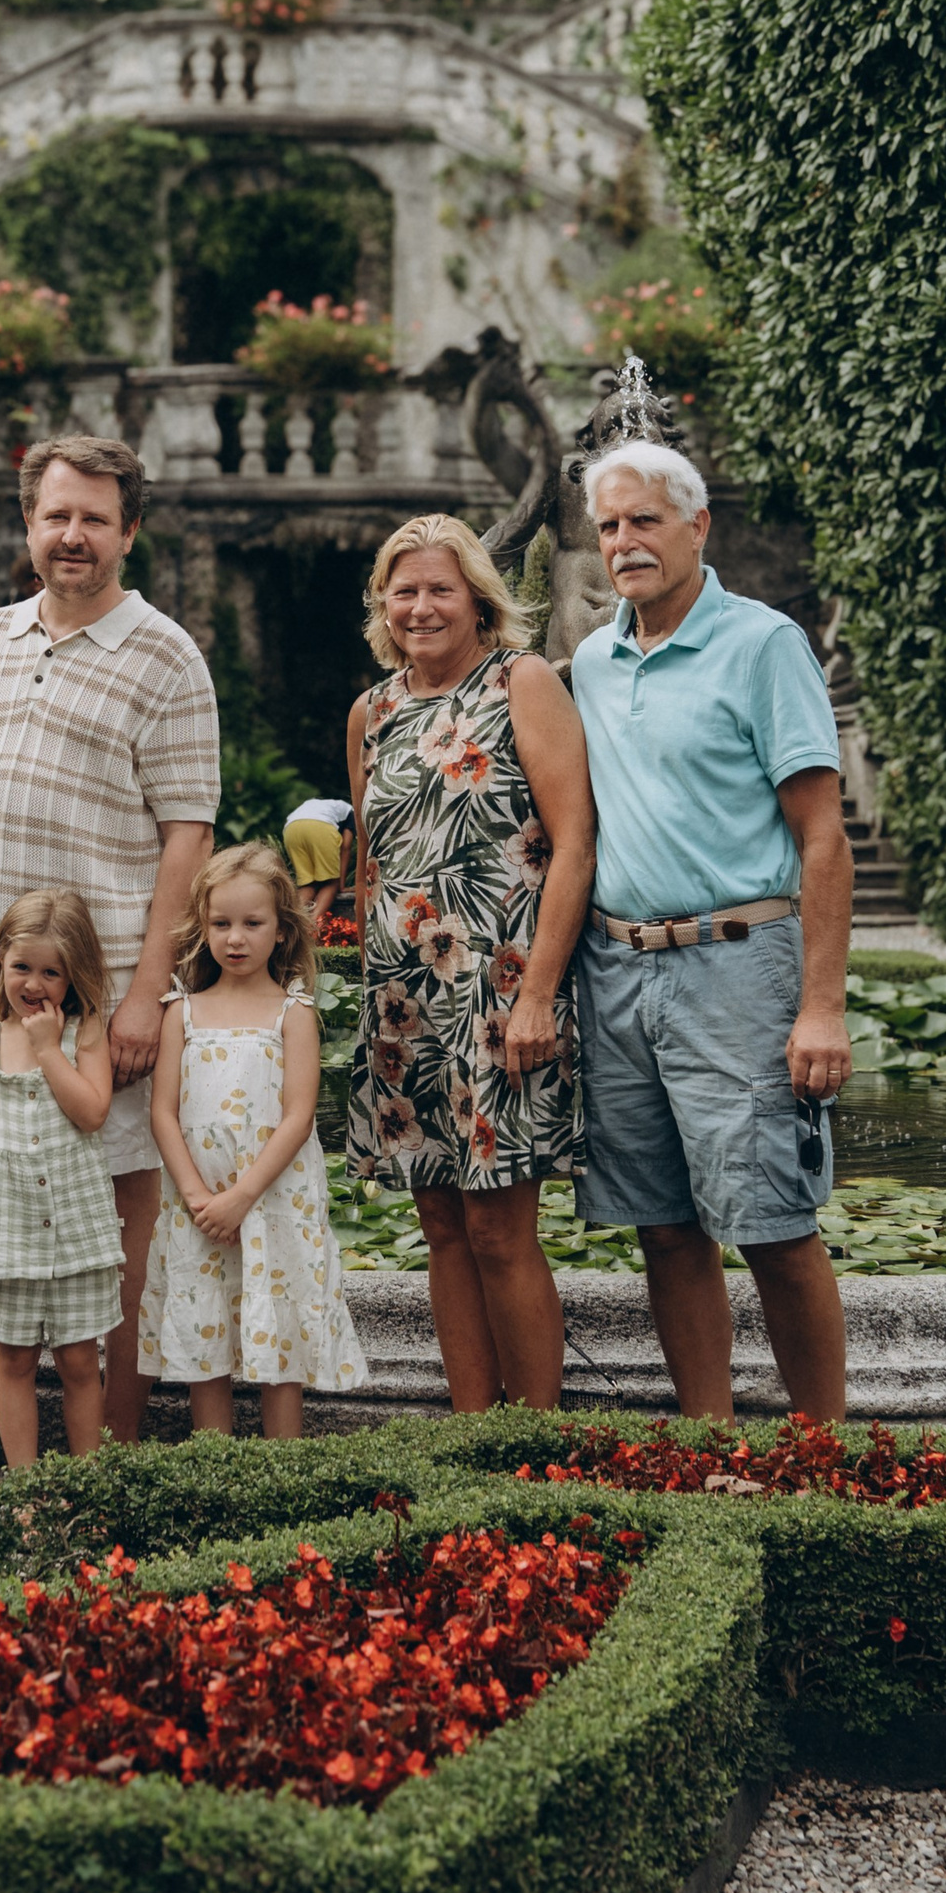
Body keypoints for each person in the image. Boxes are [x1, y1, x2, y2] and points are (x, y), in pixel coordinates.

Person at [0, 436, 219, 1470]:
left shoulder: (166, 653)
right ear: (28, 525)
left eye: (93, 516)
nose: (71, 534)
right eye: (55, 514)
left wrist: (143, 992)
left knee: (113, 1233)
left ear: (130, 530)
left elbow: (188, 830)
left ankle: (109, 1454)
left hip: (101, 994)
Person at [569, 443, 853, 1425]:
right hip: (616, 969)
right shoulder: (592, 663)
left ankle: (823, 1451)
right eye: (608, 526)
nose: (623, 542)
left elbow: (822, 836)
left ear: (698, 527)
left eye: (644, 520)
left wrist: (820, 1006)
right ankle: (709, 1440)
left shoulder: (762, 642)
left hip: (738, 966)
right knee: (662, 1225)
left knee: (771, 1222)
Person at [343, 515, 594, 1411]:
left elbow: (575, 846)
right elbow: (370, 863)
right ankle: (470, 1433)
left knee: (498, 1230)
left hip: (499, 998)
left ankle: (533, 1439)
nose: (420, 606)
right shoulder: (370, 711)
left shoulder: (521, 681)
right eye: (403, 590)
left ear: (479, 597)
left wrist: (539, 995)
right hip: (406, 1006)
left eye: (439, 588)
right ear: (383, 603)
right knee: (441, 1228)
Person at [139, 843, 366, 1437]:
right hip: (199, 1208)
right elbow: (163, 1113)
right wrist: (198, 1198)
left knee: (278, 1331)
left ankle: (281, 1472)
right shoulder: (180, 1011)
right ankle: (214, 1467)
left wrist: (241, 1196)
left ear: (282, 931)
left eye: (251, 924)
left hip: (270, 1203)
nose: (235, 938)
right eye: (221, 924)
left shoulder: (291, 1012)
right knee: (204, 1332)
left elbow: (298, 1116)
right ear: (203, 928)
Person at [0, 888, 122, 1464]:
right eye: (22, 966)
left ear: (74, 975)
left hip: (76, 1235)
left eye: (52, 972)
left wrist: (50, 1051)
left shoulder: (85, 1036)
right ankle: (27, 1493)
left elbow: (93, 1112)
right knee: (15, 1362)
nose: (34, 983)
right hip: (11, 1235)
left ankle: (85, 1484)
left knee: (78, 1362)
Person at [281, 794, 351, 896]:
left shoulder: (313, 804)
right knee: (331, 883)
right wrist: (341, 885)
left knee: (309, 884)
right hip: (319, 826)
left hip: (291, 829)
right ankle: (318, 913)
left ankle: (296, 912)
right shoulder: (351, 811)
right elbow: (346, 847)